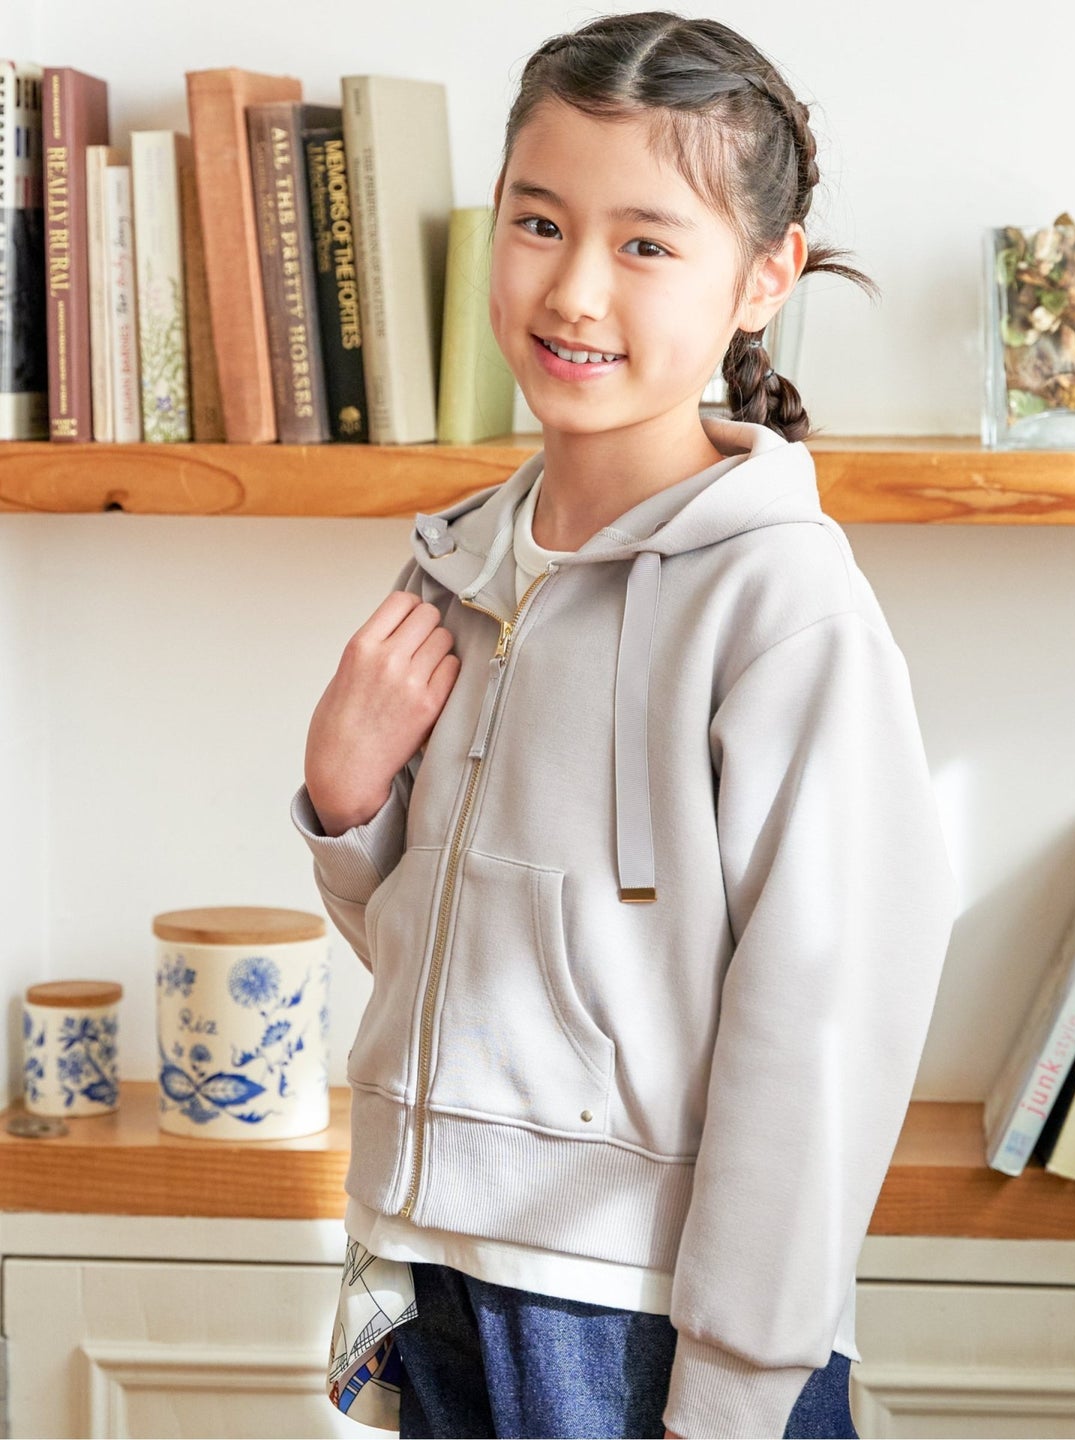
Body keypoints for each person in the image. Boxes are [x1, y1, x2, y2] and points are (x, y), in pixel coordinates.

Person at [292, 11, 958, 1439]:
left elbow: (825, 1020)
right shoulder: (458, 564)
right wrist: (344, 808)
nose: (575, 290)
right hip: (438, 1266)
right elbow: (456, 961)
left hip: (635, 1316)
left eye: (647, 242)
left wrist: (737, 1383)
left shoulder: (783, 607)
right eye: (539, 222)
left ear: (764, 275)